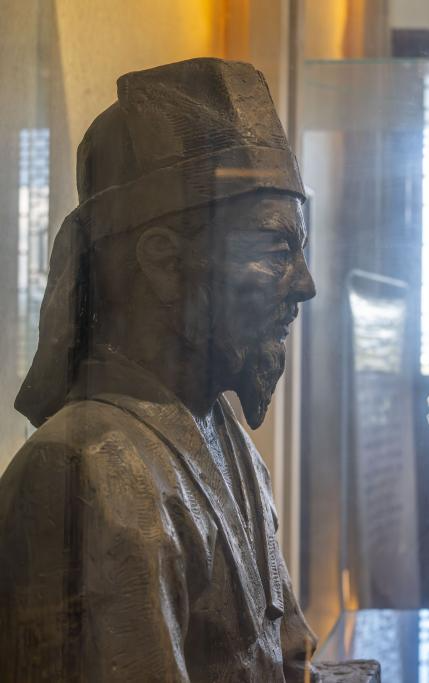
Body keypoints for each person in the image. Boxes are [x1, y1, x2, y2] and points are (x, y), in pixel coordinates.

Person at [0, 59, 320, 681]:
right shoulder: (88, 467)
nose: (304, 285)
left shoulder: (218, 430)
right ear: (165, 263)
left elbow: (289, 654)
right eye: (276, 248)